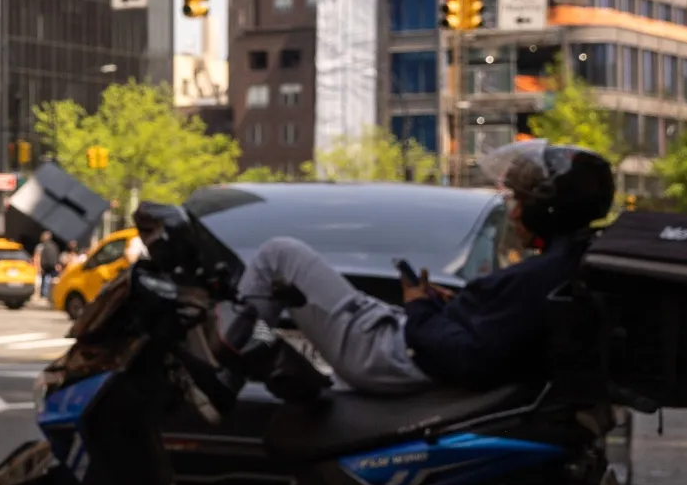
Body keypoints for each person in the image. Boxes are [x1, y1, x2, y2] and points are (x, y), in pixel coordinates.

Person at [228, 140, 614, 395]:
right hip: (406, 342)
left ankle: (232, 366)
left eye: (519, 200)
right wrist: (444, 306)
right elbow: (490, 331)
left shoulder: (539, 277)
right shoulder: (565, 266)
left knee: (278, 255)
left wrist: (420, 306)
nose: (513, 212)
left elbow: (469, 356)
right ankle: (257, 348)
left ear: (546, 208)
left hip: (394, 353)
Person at [35, 229, 64, 302]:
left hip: (47, 266)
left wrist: (40, 267)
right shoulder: (52, 245)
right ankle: (47, 295)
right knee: (49, 281)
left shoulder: (44, 246)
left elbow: (40, 257)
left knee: (47, 281)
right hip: (50, 266)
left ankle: (46, 295)